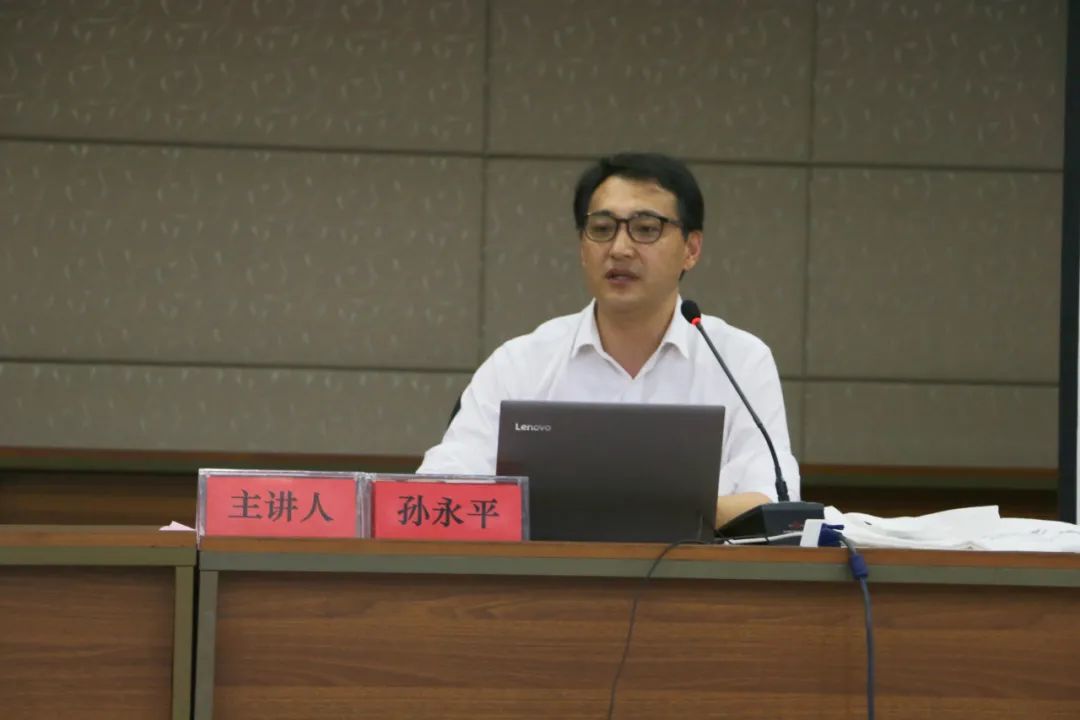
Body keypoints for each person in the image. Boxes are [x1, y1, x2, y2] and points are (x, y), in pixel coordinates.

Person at [417, 152, 800, 527]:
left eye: (646, 229)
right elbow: (439, 488)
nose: (619, 248)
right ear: (583, 248)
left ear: (691, 249)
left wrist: (632, 509)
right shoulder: (520, 364)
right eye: (601, 229)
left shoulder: (739, 360)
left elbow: (774, 499)